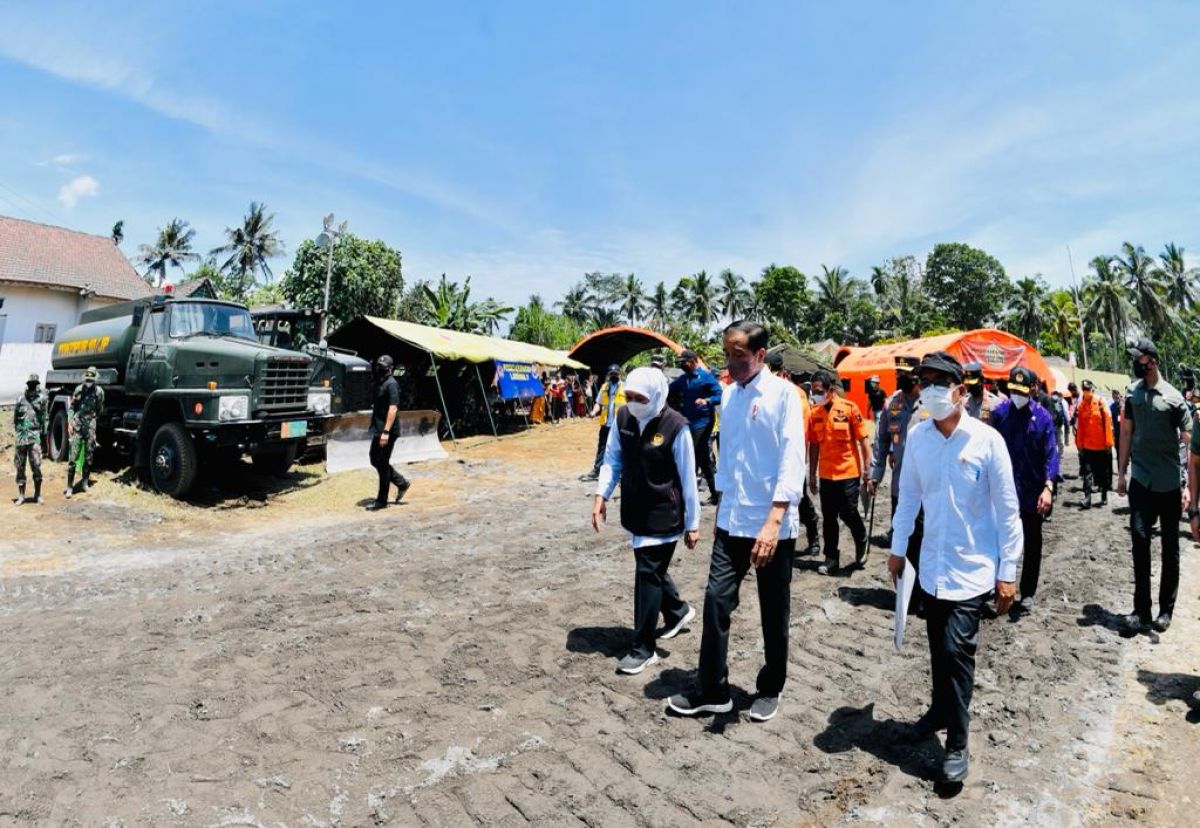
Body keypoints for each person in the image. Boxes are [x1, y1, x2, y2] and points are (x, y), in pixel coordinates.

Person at [889, 350, 1022, 784]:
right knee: (936, 651)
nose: (928, 391)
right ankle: (938, 711)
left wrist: (1008, 572)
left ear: (961, 391)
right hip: (931, 569)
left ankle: (958, 743)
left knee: (956, 654)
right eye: (923, 382)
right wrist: (896, 548)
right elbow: (907, 496)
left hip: (972, 571)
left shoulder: (987, 441)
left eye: (937, 383)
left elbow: (1007, 512)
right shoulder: (919, 438)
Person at [667, 321, 805, 723]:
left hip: (772, 523)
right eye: (726, 354)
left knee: (773, 609)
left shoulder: (784, 396)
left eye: (738, 356)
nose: (730, 362)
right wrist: (721, 506)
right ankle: (711, 689)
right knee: (715, 600)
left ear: (760, 355)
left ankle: (771, 686)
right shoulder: (728, 395)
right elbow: (727, 455)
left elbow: (792, 459)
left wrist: (774, 520)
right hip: (733, 520)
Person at [592, 367, 700, 675]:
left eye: (641, 397)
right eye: (630, 396)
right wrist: (601, 496)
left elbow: (688, 479)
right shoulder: (623, 418)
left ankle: (643, 648)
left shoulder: (677, 427)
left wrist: (693, 523)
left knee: (647, 572)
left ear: (656, 395)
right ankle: (678, 611)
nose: (634, 402)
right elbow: (612, 458)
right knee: (651, 567)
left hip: (664, 514)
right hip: (635, 509)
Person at [1116, 339, 1189, 634]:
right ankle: (1141, 610)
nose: (1136, 363)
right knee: (1139, 542)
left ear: (1153, 361)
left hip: (1169, 483)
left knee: (1169, 548)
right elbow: (1126, 433)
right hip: (1141, 481)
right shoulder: (1133, 393)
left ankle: (1165, 610)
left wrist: (1186, 484)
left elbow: (1187, 440)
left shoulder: (1173, 399)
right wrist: (1121, 473)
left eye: (1140, 358)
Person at [989, 367, 1058, 614]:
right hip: (1003, 491)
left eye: (1022, 391)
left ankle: (1027, 592)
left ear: (1032, 390)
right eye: (1013, 390)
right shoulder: (999, 414)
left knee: (1032, 543)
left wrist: (1048, 487)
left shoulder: (1043, 418)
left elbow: (1051, 455)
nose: (1016, 395)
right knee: (997, 540)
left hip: (1032, 492)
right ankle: (994, 587)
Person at [867, 355, 928, 607]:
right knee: (904, 539)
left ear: (917, 376)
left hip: (929, 488)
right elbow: (881, 443)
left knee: (926, 540)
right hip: (901, 486)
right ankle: (908, 595)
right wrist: (875, 475)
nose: (900, 379)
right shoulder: (892, 404)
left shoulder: (931, 403)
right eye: (898, 374)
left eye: (906, 375)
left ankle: (927, 594)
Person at [808, 369, 871, 574]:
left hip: (848, 472)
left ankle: (861, 539)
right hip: (826, 475)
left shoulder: (849, 409)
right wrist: (812, 475)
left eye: (818, 390)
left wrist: (868, 469)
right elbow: (814, 446)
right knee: (829, 518)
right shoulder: (815, 414)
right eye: (813, 390)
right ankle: (831, 558)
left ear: (831, 390)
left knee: (848, 512)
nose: (815, 394)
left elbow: (863, 440)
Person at [768, 352, 820, 556]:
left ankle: (813, 537)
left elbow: (801, 429)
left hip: (790, 457)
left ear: (780, 371)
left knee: (798, 499)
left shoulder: (795, 393)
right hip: (769, 458)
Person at [668, 349, 723, 503]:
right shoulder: (683, 379)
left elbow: (720, 394)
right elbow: (668, 390)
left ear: (693, 361)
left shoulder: (706, 377)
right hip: (688, 421)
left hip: (704, 421)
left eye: (684, 363)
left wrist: (707, 400)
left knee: (691, 453)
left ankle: (685, 493)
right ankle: (716, 494)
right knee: (703, 458)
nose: (682, 366)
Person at [366, 355, 411, 511]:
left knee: (383, 463)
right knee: (374, 459)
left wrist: (386, 432)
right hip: (378, 429)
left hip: (388, 431)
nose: (380, 368)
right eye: (379, 365)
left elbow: (393, 408)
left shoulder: (392, 384)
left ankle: (381, 501)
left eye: (383, 367)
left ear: (390, 369)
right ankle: (401, 482)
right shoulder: (380, 383)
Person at [64, 366, 105, 498]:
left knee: (89, 455)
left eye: (90, 380)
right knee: (73, 456)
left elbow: (99, 410)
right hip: (77, 425)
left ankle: (85, 482)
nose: (88, 382)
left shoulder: (99, 392)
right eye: (86, 379)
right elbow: (71, 408)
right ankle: (70, 487)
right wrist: (70, 422)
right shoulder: (78, 390)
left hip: (90, 426)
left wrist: (93, 424)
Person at [1075, 379, 1115, 508]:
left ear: (1092, 389)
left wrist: (1109, 443)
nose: (1087, 392)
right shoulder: (1081, 406)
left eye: (1088, 389)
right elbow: (1080, 427)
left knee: (1102, 472)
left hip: (1101, 446)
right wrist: (1079, 445)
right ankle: (1087, 498)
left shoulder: (1101, 403)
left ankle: (1104, 494)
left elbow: (1108, 424)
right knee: (1087, 473)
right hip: (1087, 446)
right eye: (1084, 390)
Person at [582, 365, 625, 481]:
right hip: (606, 424)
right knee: (602, 447)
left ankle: (622, 474)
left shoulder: (625, 387)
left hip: (619, 424)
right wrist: (593, 412)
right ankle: (597, 470)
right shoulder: (604, 387)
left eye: (615, 374)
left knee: (620, 448)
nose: (613, 376)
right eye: (611, 374)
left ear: (619, 374)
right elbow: (598, 403)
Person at [14, 373, 47, 505]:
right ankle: (21, 496)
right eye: (30, 384)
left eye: (34, 384)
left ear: (37, 385)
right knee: (20, 467)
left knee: (37, 466)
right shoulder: (20, 399)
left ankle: (37, 495)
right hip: (21, 439)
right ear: (27, 385)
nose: (32, 387)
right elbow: (15, 419)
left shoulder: (42, 400)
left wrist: (43, 438)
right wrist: (19, 434)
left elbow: (44, 419)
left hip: (34, 438)